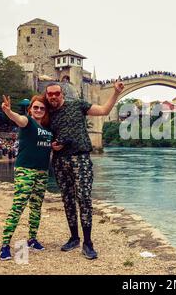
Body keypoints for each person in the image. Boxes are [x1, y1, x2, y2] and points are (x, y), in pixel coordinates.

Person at [45, 80, 124, 260]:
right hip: (60, 161)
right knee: (67, 200)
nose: (53, 96)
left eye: (56, 93)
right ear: (47, 96)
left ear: (62, 94)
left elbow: (103, 110)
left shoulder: (78, 105)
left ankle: (88, 243)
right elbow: (38, 133)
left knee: (84, 198)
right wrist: (52, 146)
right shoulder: (47, 114)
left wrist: (116, 93)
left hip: (80, 158)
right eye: (50, 94)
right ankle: (74, 238)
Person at [0, 94, 53, 261]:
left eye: (42, 108)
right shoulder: (27, 122)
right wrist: (8, 111)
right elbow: (18, 119)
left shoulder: (48, 128)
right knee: (18, 207)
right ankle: (5, 246)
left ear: (45, 111)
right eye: (35, 107)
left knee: (36, 208)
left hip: (42, 172)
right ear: (30, 109)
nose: (38, 110)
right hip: (25, 170)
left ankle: (32, 239)